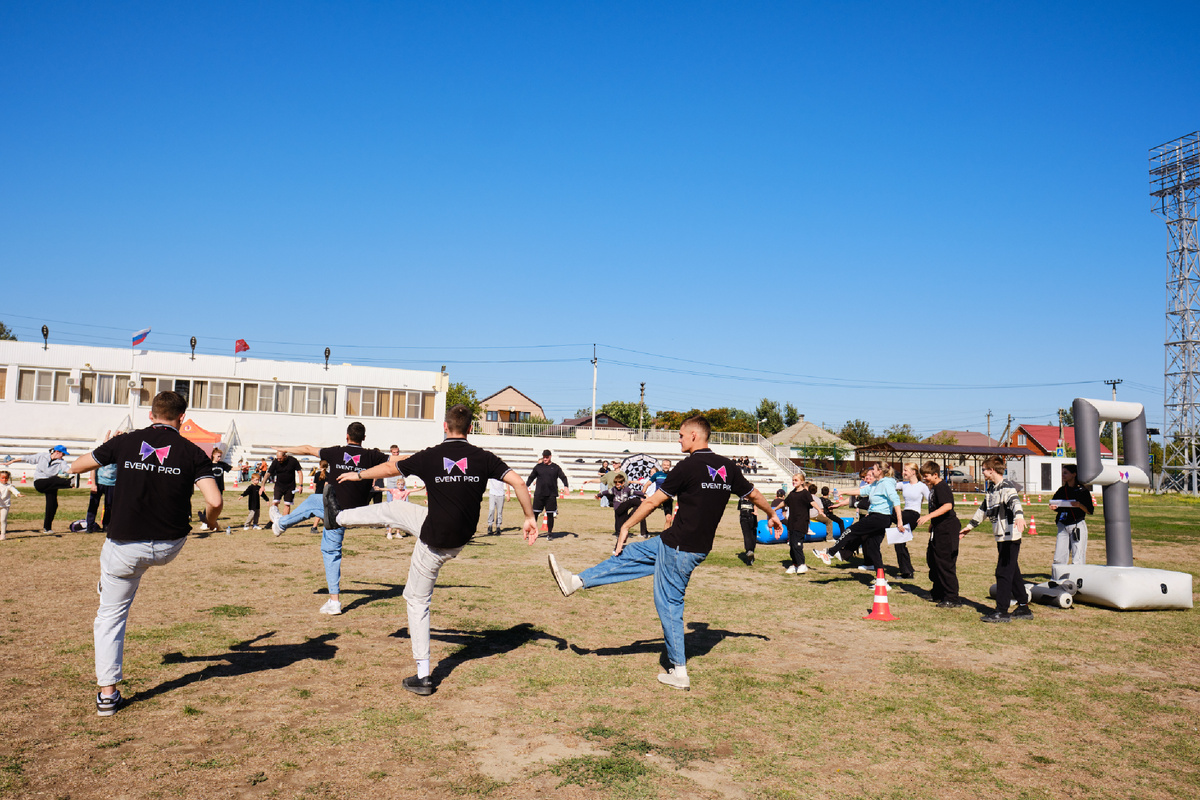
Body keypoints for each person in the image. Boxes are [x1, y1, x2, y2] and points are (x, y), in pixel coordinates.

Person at [546, 415, 782, 691]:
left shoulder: (687, 466)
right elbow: (754, 494)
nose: (678, 440)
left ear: (694, 435)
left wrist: (626, 526)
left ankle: (679, 672)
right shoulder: (728, 466)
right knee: (632, 554)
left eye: (681, 435)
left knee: (669, 603)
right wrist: (772, 514)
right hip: (677, 543)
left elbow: (652, 501)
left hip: (681, 548)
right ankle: (576, 581)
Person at [338, 403, 536, 695]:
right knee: (395, 510)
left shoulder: (431, 455)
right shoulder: (483, 457)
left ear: (445, 427)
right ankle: (339, 517)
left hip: (436, 541)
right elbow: (518, 482)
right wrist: (529, 517)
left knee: (416, 600)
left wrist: (358, 476)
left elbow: (391, 467)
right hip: (457, 535)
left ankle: (423, 676)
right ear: (470, 428)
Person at [67, 390, 222, 716]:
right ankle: (110, 581)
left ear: (151, 415)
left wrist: (106, 447)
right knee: (125, 572)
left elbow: (75, 466)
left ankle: (107, 695)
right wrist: (210, 522)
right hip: (168, 545)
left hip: (125, 545)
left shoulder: (124, 442)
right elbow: (215, 501)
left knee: (110, 615)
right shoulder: (193, 451)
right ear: (182, 418)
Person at [267, 422, 389, 615]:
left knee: (314, 504)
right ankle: (334, 602)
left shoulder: (336, 452)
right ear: (364, 438)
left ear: (347, 436)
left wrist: (284, 449)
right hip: (355, 513)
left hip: (335, 509)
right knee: (329, 549)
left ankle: (281, 524)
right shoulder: (372, 456)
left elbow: (308, 449)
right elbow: (399, 460)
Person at [961, 456, 1030, 623]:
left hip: (1010, 537)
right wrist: (969, 527)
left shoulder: (1007, 486)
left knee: (1003, 572)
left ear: (992, 470)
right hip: (1001, 537)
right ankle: (1023, 607)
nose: (983, 473)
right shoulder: (992, 489)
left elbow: (1015, 502)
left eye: (984, 470)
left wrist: (1019, 517)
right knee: (1013, 571)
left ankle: (1002, 611)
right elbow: (983, 509)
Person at [811, 462, 903, 585]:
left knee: (850, 530)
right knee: (873, 547)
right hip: (878, 517)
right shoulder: (876, 484)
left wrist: (899, 520)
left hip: (879, 517)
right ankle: (881, 580)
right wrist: (842, 492)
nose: (872, 471)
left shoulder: (886, 483)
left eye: (874, 469)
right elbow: (861, 491)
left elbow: (896, 500)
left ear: (880, 471)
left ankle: (830, 553)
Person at [917, 461, 962, 607]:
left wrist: (928, 517)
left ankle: (951, 597)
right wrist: (933, 523)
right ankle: (937, 592)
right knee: (933, 560)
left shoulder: (941, 487)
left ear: (935, 474)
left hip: (947, 529)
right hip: (938, 527)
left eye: (926, 476)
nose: (925, 479)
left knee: (944, 562)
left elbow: (948, 505)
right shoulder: (934, 487)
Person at [3, 446, 72, 533]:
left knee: (53, 505)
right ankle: (70, 483)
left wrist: (75, 471)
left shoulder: (61, 462)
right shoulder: (42, 456)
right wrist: (12, 461)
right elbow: (27, 458)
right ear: (57, 452)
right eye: (63, 454)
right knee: (55, 479)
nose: (63, 456)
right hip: (40, 482)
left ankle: (47, 528)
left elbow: (67, 469)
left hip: (51, 485)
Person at [782, 474, 833, 574]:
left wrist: (819, 510)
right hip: (792, 523)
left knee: (797, 545)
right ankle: (795, 564)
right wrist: (773, 509)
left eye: (796, 480)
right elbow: (784, 503)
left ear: (802, 482)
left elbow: (812, 502)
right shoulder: (792, 493)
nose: (794, 482)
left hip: (801, 523)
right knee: (792, 545)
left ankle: (802, 564)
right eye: (793, 480)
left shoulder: (805, 493)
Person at [1052, 464, 1093, 566]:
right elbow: (1056, 504)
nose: (1063, 475)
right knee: (1059, 557)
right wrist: (1053, 507)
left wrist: (1079, 505)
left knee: (1077, 556)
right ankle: (1059, 574)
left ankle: (1077, 575)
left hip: (1077, 525)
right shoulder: (1062, 490)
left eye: (1065, 473)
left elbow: (1089, 510)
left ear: (1074, 474)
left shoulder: (1083, 491)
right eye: (1062, 473)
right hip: (1062, 525)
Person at [895, 463, 929, 579]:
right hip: (904, 515)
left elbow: (932, 501)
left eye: (906, 470)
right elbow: (889, 487)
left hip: (913, 515)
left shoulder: (922, 486)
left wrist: (929, 517)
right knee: (899, 542)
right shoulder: (903, 484)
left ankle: (907, 571)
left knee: (889, 514)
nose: (903, 472)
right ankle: (907, 571)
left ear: (913, 472)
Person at [527, 450, 569, 534]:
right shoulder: (538, 467)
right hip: (539, 494)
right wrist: (526, 486)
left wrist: (566, 486)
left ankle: (549, 533)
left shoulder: (555, 467)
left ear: (550, 457)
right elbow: (531, 477)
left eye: (547, 457)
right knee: (535, 513)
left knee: (550, 514)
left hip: (551, 495)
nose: (545, 459)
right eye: (544, 457)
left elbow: (563, 477)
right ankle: (532, 531)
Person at [597, 472, 648, 538]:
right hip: (618, 508)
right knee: (633, 501)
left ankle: (620, 533)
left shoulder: (627, 490)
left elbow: (635, 492)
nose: (617, 486)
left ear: (623, 483)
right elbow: (605, 492)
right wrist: (599, 495)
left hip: (624, 508)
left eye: (619, 485)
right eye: (616, 485)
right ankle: (618, 532)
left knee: (622, 521)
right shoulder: (614, 489)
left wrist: (644, 495)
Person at [198, 447, 233, 531]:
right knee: (210, 503)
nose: (219, 458)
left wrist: (241, 468)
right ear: (213, 455)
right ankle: (205, 522)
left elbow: (231, 468)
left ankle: (212, 521)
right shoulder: (208, 464)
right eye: (218, 456)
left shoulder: (222, 464)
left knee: (217, 506)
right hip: (211, 487)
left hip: (220, 487)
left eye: (220, 456)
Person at [647, 459, 674, 528]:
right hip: (656, 498)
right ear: (662, 465)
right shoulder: (657, 474)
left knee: (669, 518)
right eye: (664, 465)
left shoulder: (672, 475)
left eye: (667, 465)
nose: (666, 466)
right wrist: (642, 495)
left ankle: (666, 533)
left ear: (670, 466)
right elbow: (647, 484)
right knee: (643, 513)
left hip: (667, 498)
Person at [737, 492, 758, 565]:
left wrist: (755, 511)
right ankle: (749, 551)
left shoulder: (753, 499)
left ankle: (751, 551)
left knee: (753, 536)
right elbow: (740, 509)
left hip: (752, 519)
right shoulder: (741, 499)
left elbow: (756, 506)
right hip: (744, 519)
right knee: (746, 535)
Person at [0, 471, 20, 540]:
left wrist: (18, 494)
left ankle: (3, 534)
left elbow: (14, 490)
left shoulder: (9, 486)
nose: (4, 480)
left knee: (3, 520)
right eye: (2, 478)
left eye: (6, 478)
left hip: (5, 506)